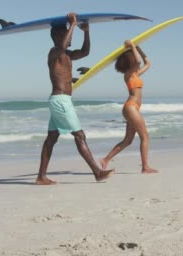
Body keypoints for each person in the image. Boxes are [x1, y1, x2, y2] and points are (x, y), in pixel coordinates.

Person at [36, 12, 114, 185]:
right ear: (58, 36)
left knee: (51, 139)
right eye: (67, 35)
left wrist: (85, 31)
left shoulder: (68, 55)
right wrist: (72, 24)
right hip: (61, 101)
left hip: (61, 101)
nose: (71, 39)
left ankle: (41, 177)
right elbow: (62, 46)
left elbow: (85, 52)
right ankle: (97, 172)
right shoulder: (54, 53)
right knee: (79, 136)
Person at [100, 40, 158, 174]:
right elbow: (138, 62)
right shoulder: (128, 74)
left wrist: (139, 48)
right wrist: (132, 46)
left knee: (128, 140)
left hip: (133, 108)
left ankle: (105, 159)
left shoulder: (135, 74)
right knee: (145, 137)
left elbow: (147, 63)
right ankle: (145, 167)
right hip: (131, 107)